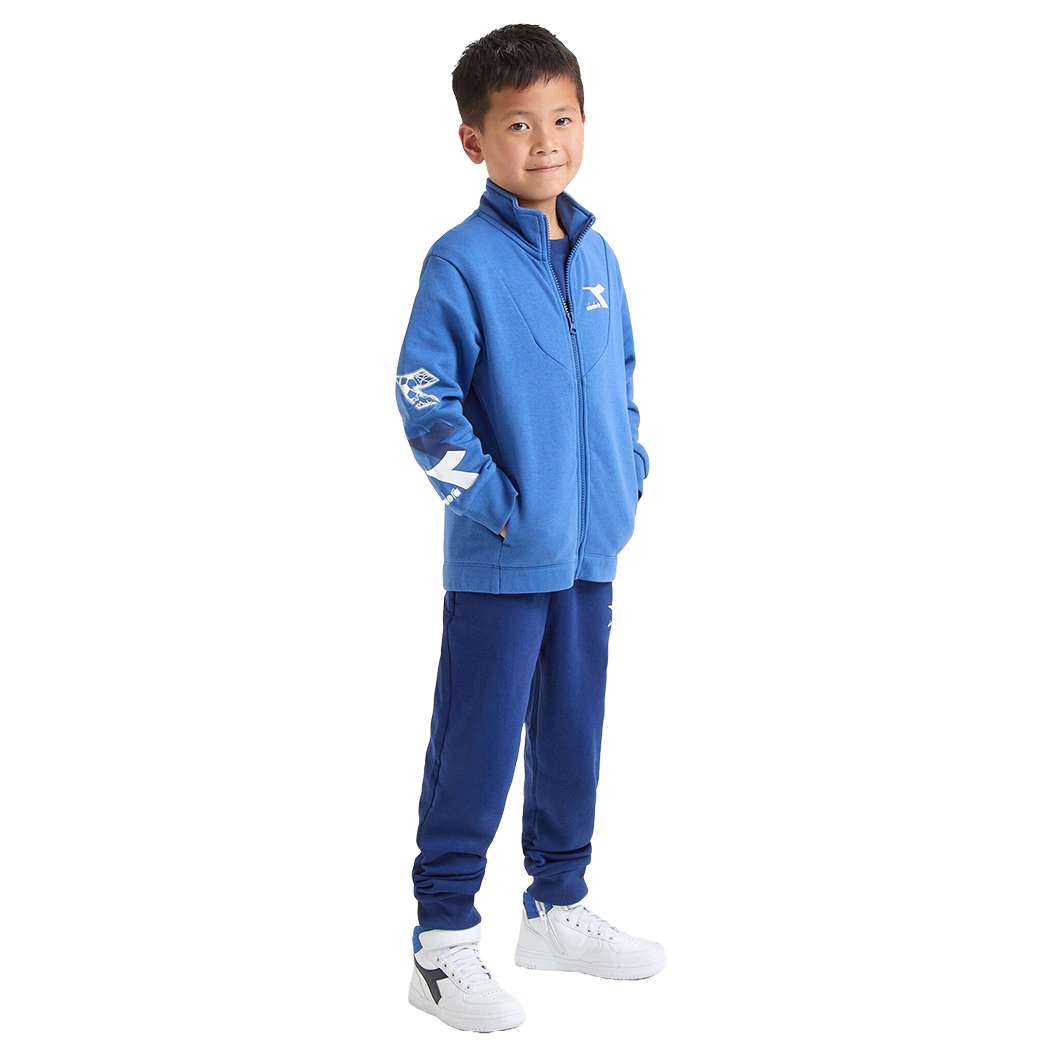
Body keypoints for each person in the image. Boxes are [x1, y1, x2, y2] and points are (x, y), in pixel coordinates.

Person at [394, 24, 664, 1033]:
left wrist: (629, 475)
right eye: (518, 124)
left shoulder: (598, 255)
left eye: (562, 118)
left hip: (591, 552)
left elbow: (621, 379)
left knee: (572, 731)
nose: (545, 141)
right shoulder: (459, 261)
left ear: (585, 122)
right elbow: (424, 396)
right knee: (476, 741)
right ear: (475, 140)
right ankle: (441, 945)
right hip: (504, 559)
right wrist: (498, 507)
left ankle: (556, 905)